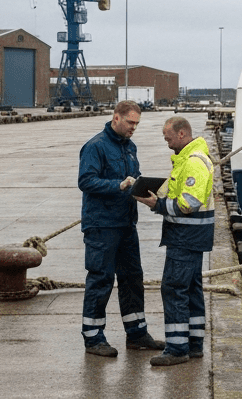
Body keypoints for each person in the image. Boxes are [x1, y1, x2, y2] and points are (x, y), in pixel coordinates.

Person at [77, 100, 163, 356]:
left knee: (132, 277)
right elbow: (86, 181)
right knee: (101, 279)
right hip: (101, 225)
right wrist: (119, 185)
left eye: (136, 123)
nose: (133, 128)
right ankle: (93, 338)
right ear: (116, 118)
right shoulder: (95, 147)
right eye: (130, 122)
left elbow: (134, 176)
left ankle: (137, 333)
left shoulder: (130, 147)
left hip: (126, 224)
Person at [135, 115, 214, 366]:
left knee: (174, 288)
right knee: (191, 289)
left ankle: (177, 348)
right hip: (193, 236)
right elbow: (180, 192)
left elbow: (188, 203)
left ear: (182, 133)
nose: (165, 139)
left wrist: (157, 205)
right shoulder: (188, 159)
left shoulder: (193, 162)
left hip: (185, 236)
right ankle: (194, 343)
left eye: (167, 135)